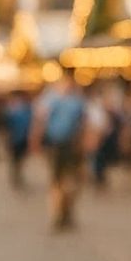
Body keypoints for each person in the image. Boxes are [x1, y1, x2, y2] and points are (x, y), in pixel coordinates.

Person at [34, 71, 86, 229]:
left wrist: (35, 140)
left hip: (65, 145)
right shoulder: (73, 100)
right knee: (62, 181)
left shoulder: (55, 99)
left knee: (61, 182)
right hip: (61, 145)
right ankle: (61, 213)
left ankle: (61, 212)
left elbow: (41, 121)